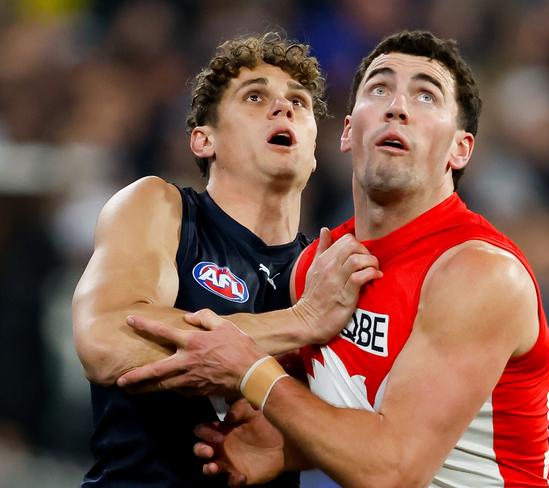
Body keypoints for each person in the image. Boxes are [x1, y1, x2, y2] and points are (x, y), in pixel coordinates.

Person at [118, 30, 549, 487]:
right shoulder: (320, 268)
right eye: (379, 88)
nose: (397, 106)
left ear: (459, 149)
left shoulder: (478, 272)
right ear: (348, 131)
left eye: (426, 95)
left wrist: (253, 369)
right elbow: (348, 420)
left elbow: (394, 471)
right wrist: (284, 450)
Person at [72, 32, 381, 487]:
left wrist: (290, 450)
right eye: (255, 96)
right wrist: (301, 322)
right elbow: (106, 343)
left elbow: (377, 437)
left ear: (315, 150)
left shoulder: (325, 271)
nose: (285, 108)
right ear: (203, 140)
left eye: (299, 101)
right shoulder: (161, 208)